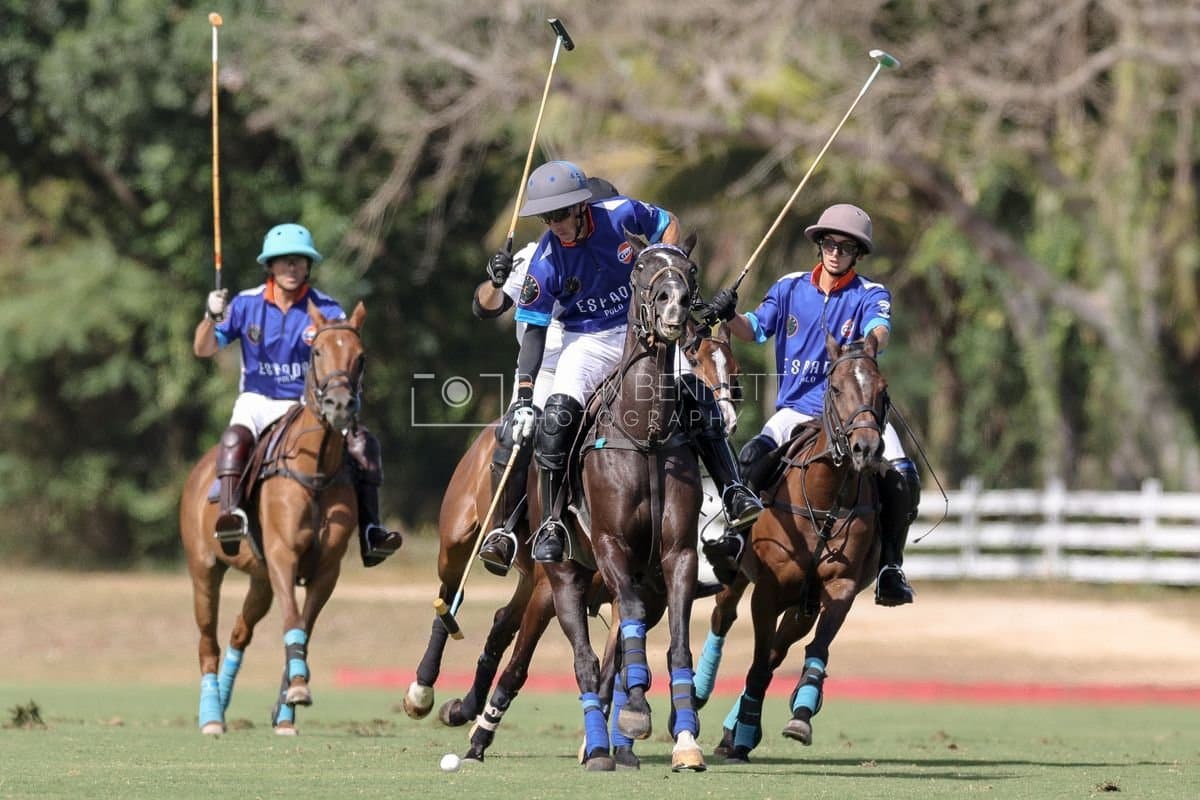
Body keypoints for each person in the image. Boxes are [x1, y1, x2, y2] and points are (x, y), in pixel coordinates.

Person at [482, 160, 762, 564]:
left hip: (639, 327)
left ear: (581, 207)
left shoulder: (621, 214)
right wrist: (525, 395)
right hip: (586, 341)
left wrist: (663, 267)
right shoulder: (544, 260)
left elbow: (669, 223)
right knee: (557, 415)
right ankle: (553, 523)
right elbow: (534, 332)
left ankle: (734, 489)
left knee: (696, 393)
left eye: (560, 214)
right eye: (546, 217)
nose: (554, 223)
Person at [701, 203, 919, 605]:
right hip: (799, 408)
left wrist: (869, 344)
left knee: (903, 476)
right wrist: (729, 315)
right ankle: (733, 540)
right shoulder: (789, 286)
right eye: (829, 243)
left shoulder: (869, 293)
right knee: (750, 457)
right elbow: (754, 330)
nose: (835, 252)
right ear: (819, 246)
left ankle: (890, 566)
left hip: (855, 411)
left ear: (858, 253)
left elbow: (880, 330)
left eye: (845, 246)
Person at [193, 222, 403, 567]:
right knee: (233, 439)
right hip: (258, 400)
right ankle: (231, 516)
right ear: (270, 266)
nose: (292, 268)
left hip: (308, 403)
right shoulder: (246, 304)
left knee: (364, 445)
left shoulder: (327, 308)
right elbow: (203, 349)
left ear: (308, 266)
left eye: (299, 261)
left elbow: (343, 353)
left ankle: (371, 531)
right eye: (284, 261)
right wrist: (210, 317)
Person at [471, 178, 617, 576]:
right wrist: (496, 281)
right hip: (550, 368)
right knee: (521, 432)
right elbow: (486, 307)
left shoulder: (618, 249)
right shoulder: (537, 256)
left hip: (611, 358)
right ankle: (505, 528)